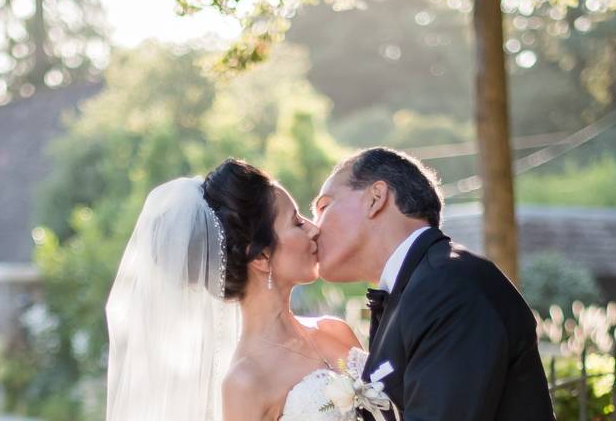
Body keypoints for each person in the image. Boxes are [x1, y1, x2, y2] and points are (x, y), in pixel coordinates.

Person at [105, 158, 386, 421]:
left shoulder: (335, 330)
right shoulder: (245, 382)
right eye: (297, 222)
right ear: (261, 257)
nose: (314, 230)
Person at [313, 147, 556, 420]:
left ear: (375, 198)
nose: (313, 227)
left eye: (323, 207)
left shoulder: (448, 285)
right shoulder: (417, 286)